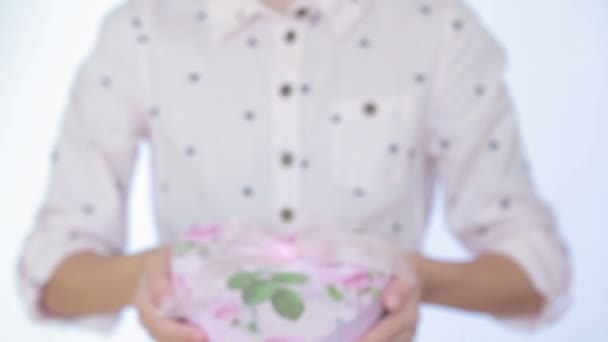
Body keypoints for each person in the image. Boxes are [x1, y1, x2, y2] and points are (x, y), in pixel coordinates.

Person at [17, 0, 572, 341]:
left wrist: (405, 278)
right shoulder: (139, 31)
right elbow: (53, 276)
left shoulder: (437, 26)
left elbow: (536, 273)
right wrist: (161, 276)